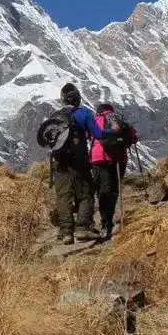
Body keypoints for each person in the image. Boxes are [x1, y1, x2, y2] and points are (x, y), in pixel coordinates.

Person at [52, 83, 114, 244]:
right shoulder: (84, 114)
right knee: (85, 193)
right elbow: (98, 134)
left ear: (63, 99)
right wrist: (112, 131)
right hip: (78, 162)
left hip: (59, 162)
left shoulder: (55, 116)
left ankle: (66, 232)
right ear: (78, 98)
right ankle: (83, 228)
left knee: (63, 196)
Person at [90, 103, 139, 239]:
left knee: (102, 190)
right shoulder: (119, 118)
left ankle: (106, 222)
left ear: (99, 111)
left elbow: (87, 135)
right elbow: (134, 137)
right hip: (119, 158)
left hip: (99, 158)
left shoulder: (95, 120)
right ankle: (109, 220)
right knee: (113, 190)